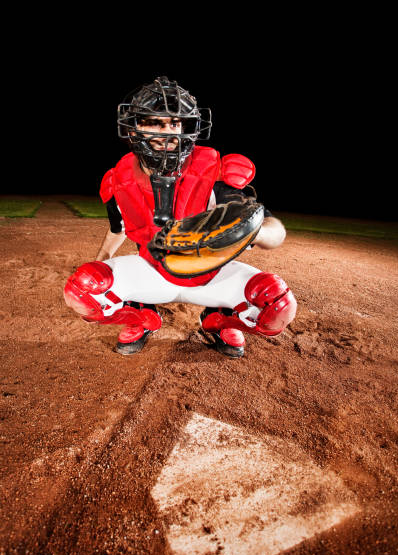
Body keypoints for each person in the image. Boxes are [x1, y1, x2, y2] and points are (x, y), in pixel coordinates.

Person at [64, 76, 297, 358]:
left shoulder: (214, 170)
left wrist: (256, 231)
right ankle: (141, 317)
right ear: (134, 127)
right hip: (152, 271)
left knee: (277, 302)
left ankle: (219, 319)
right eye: (156, 122)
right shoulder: (120, 179)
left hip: (211, 278)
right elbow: (119, 228)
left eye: (175, 123)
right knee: (82, 288)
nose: (169, 131)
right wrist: (100, 264)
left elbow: (275, 231)